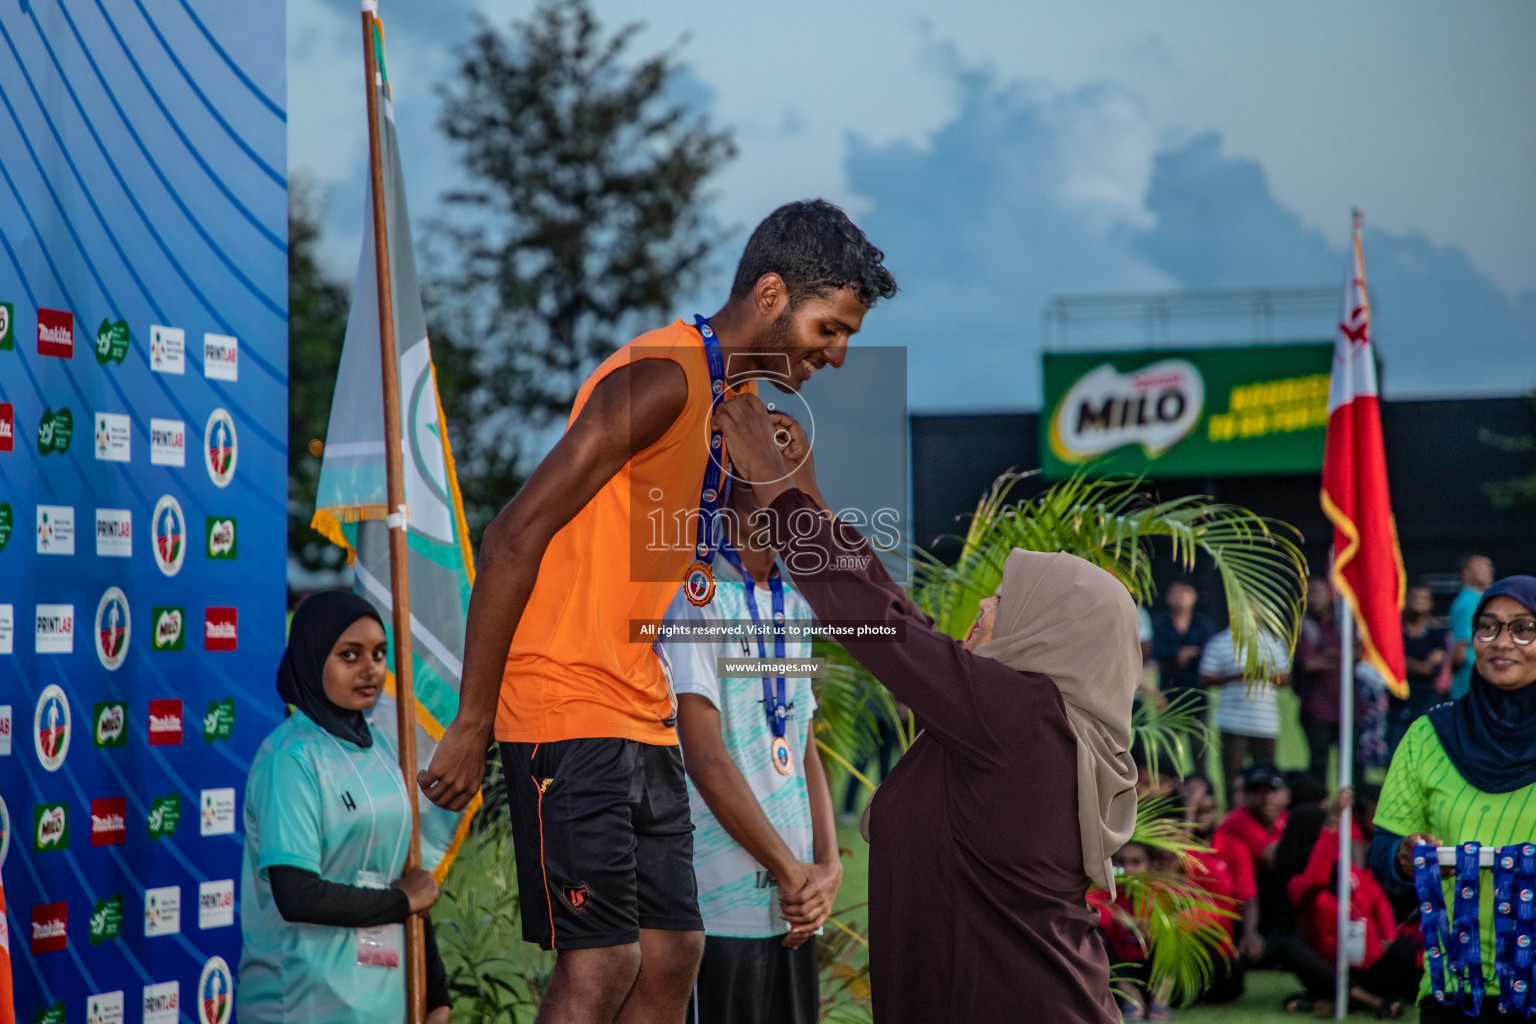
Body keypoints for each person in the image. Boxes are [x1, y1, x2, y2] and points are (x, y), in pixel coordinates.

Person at [416, 201, 896, 1023]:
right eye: (830, 328)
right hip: (563, 700)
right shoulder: (665, 376)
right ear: (773, 294)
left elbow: (814, 541)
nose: (840, 355)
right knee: (603, 962)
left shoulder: (735, 401)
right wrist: (472, 721)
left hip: (642, 708)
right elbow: (510, 534)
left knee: (675, 952)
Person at [712, 398, 1134, 1023]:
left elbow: (879, 627)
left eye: (1003, 602)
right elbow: (902, 621)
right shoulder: (1031, 723)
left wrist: (776, 490)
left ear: (1048, 631)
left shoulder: (1023, 718)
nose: (983, 609)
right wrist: (806, 490)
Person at [657, 479, 841, 1024]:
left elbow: (803, 745)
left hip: (795, 907)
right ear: (730, 479)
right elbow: (705, 757)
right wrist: (791, 871)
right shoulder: (699, 593)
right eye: (771, 453)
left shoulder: (795, 605)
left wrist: (826, 868)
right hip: (720, 906)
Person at [237, 590, 451, 1024]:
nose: (369, 668)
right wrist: (398, 903)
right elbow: (297, 895)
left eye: (378, 653)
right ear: (313, 657)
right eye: (349, 655)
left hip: (382, 1002)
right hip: (302, 1000)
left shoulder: (385, 751)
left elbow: (404, 879)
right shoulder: (290, 759)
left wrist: (436, 994)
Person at [1369, 575, 1536, 1022]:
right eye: (1488, 627)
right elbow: (1383, 851)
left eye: (1523, 628)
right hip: (1455, 987)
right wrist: (1404, 855)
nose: (1503, 642)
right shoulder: (1429, 735)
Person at [1286, 789, 1417, 1017]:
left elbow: (1378, 900)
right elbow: (1316, 878)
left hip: (1370, 966)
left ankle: (1336, 1002)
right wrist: (1333, 820)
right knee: (1289, 948)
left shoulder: (1351, 874)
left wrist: (1388, 937)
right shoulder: (1300, 886)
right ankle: (1369, 1001)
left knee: (1406, 951)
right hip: (1335, 972)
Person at [1198, 627, 1292, 808]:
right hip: (1232, 722)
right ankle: (1233, 816)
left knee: (1267, 779)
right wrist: (1236, 676)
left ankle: (1264, 817)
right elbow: (1206, 675)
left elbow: (1286, 678)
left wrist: (1263, 675)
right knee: (1233, 779)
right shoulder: (1221, 641)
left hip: (1265, 723)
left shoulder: (1272, 642)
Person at [1216, 763, 1290, 961]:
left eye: (1273, 791)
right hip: (1238, 904)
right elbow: (1275, 860)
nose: (1266, 798)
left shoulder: (1283, 818)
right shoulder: (1239, 820)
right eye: (1257, 791)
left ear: (1286, 794)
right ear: (1245, 796)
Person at [1150, 578, 1218, 772]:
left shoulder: (1204, 624)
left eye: (1185, 592)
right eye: (1176, 592)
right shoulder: (1160, 624)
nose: (1180, 597)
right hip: (1168, 698)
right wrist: (1183, 655)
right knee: (1167, 755)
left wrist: (1177, 657)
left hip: (1198, 698)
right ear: (1167, 597)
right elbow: (1157, 652)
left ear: (1194, 597)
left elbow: (1208, 655)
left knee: (1200, 754)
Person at [1294, 576, 1356, 787]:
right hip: (1316, 709)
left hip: (1348, 708)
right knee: (1319, 764)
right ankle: (1320, 810)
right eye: (1309, 594)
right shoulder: (1304, 627)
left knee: (1352, 766)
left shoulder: (1344, 623)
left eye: (1318, 593)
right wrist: (1343, 657)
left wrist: (1329, 656)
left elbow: (1361, 653)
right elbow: (1309, 664)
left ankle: (1354, 815)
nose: (1314, 598)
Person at [1391, 583, 1450, 754]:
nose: (1417, 602)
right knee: (1395, 753)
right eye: (1414, 597)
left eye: (1422, 598)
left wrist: (1401, 661)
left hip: (1425, 700)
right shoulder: (1395, 631)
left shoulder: (1436, 634)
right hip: (1396, 701)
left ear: (1430, 604)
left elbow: (1431, 669)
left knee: (1425, 752)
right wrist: (1419, 664)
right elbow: (1387, 663)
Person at [1447, 554, 1494, 700]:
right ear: (1466, 573)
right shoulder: (1468, 602)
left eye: (1489, 566)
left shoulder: (1478, 599)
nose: (1489, 570)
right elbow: (1460, 649)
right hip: (1470, 681)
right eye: (1481, 566)